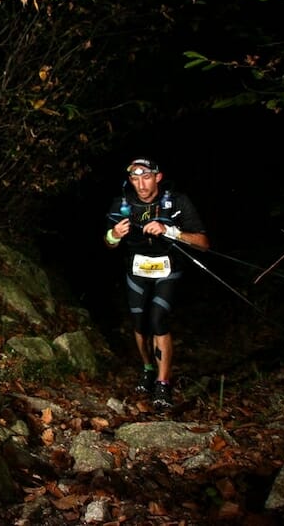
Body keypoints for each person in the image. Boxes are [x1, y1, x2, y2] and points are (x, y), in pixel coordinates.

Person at [103, 157, 209, 409]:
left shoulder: (177, 201)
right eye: (135, 179)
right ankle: (148, 368)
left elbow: (203, 243)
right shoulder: (122, 204)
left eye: (146, 177)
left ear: (158, 177)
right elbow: (108, 243)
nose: (141, 184)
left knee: (158, 319)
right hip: (137, 267)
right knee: (139, 321)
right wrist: (114, 234)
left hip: (168, 266)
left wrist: (170, 231)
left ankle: (163, 384)